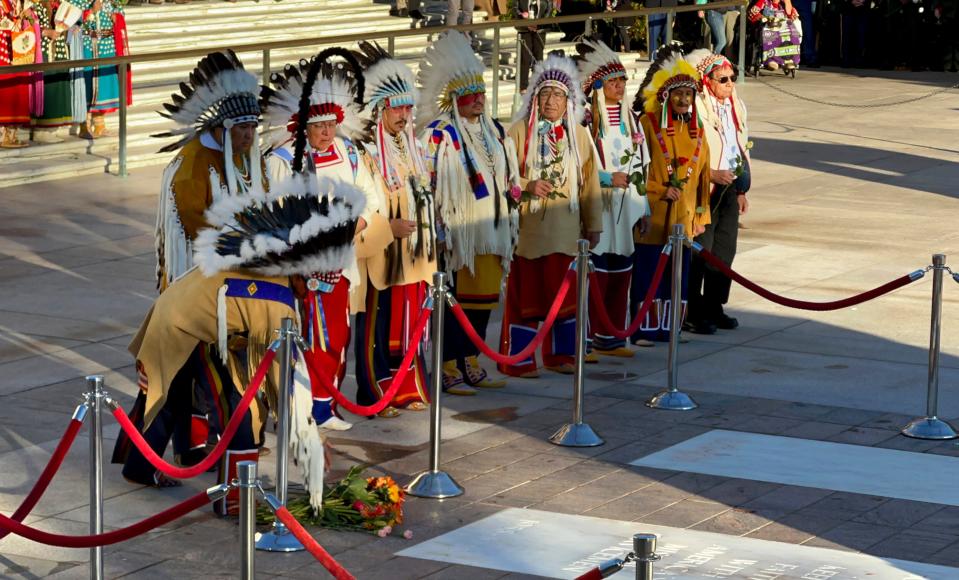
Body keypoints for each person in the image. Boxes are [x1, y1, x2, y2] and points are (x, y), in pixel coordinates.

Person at [116, 173, 362, 516]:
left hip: (191, 322)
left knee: (177, 398)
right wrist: (308, 439)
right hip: (180, 328)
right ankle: (232, 498)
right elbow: (280, 377)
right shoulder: (277, 300)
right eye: (318, 283)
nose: (316, 291)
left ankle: (140, 469)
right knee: (243, 414)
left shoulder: (276, 270)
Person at [112, 51, 265, 493]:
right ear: (220, 127)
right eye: (242, 129)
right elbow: (199, 230)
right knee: (205, 383)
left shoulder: (242, 160)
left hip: (224, 292)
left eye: (254, 128)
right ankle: (220, 465)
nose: (250, 137)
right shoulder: (193, 166)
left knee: (178, 381)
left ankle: (155, 457)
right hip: (194, 294)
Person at [262, 49, 390, 430]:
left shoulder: (350, 153)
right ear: (303, 127)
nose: (325, 133)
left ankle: (323, 407)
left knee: (336, 334)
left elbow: (373, 196)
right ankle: (293, 409)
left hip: (341, 260)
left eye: (330, 126)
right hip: (300, 266)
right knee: (299, 336)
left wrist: (356, 226)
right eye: (318, 127)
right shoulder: (283, 160)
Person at [418, 31, 521, 395]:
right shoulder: (439, 134)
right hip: (459, 236)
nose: (479, 100)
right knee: (455, 301)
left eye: (481, 93)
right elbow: (427, 183)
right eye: (470, 95)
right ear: (455, 98)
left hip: (491, 230)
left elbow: (508, 174)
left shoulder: (494, 130)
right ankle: (447, 363)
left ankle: (472, 358)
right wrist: (437, 229)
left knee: (485, 299)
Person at [499, 53, 603, 377]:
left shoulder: (578, 134)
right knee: (526, 298)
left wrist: (594, 224)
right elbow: (503, 176)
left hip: (566, 233)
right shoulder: (518, 132)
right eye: (545, 93)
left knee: (565, 297)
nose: (551, 101)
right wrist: (528, 185)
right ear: (534, 97)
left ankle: (560, 356)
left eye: (558, 94)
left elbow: (590, 183)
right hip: (527, 235)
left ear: (568, 99)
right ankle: (520, 359)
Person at [352, 41, 435, 417]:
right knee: (376, 324)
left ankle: (405, 388)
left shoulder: (411, 146)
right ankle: (373, 392)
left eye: (407, 107)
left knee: (407, 319)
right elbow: (365, 205)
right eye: (397, 107)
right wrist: (390, 227)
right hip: (382, 252)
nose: (403, 114)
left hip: (412, 252)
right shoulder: (367, 151)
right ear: (381, 109)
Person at [629, 46, 710, 343]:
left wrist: (701, 215)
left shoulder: (697, 130)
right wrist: (659, 190)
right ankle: (642, 329)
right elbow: (636, 170)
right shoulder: (647, 125)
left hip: (684, 220)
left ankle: (670, 328)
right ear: (664, 96)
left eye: (688, 95)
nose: (683, 100)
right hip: (653, 215)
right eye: (678, 94)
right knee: (649, 273)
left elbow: (703, 177)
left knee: (677, 277)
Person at [575, 37, 650, 358]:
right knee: (596, 273)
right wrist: (606, 178)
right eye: (613, 82)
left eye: (622, 81)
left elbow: (640, 164)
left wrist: (644, 208)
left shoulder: (631, 118)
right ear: (598, 86)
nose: (620, 87)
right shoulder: (586, 122)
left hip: (626, 206)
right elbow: (578, 165)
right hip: (598, 207)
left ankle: (612, 337)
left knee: (621, 272)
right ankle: (588, 339)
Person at [685, 50, 750, 334]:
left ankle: (715, 306)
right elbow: (687, 153)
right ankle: (692, 310)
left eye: (732, 78)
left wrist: (741, 188)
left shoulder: (736, 106)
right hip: (704, 188)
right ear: (707, 80)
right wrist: (709, 174)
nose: (729, 83)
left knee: (725, 251)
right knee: (702, 251)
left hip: (729, 187)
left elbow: (739, 146)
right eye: (723, 79)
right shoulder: (695, 109)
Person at [74, 0, 130, 139]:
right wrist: (90, 11)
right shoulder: (79, 2)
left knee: (104, 85)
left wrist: (117, 17)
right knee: (87, 84)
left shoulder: (111, 2)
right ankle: (84, 126)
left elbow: (121, 13)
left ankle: (99, 124)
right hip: (88, 46)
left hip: (107, 46)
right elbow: (72, 21)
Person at [31, 0, 76, 140]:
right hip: (44, 50)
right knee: (48, 85)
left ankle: (53, 127)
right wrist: (45, 32)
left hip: (58, 48)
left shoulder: (58, 3)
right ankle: (42, 130)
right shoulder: (34, 4)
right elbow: (28, 25)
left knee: (59, 83)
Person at [0, 0, 36, 148]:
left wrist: (27, 16)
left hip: (17, 44)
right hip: (3, 46)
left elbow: (28, 19)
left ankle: (13, 133)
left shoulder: (18, 2)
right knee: (6, 88)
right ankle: (5, 135)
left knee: (18, 86)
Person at [515, 0, 554, 90]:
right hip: (524, 29)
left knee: (538, 57)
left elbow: (549, 10)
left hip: (540, 30)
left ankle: (538, 82)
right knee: (525, 58)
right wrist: (521, 16)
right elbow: (514, 8)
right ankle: (523, 86)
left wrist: (539, 24)